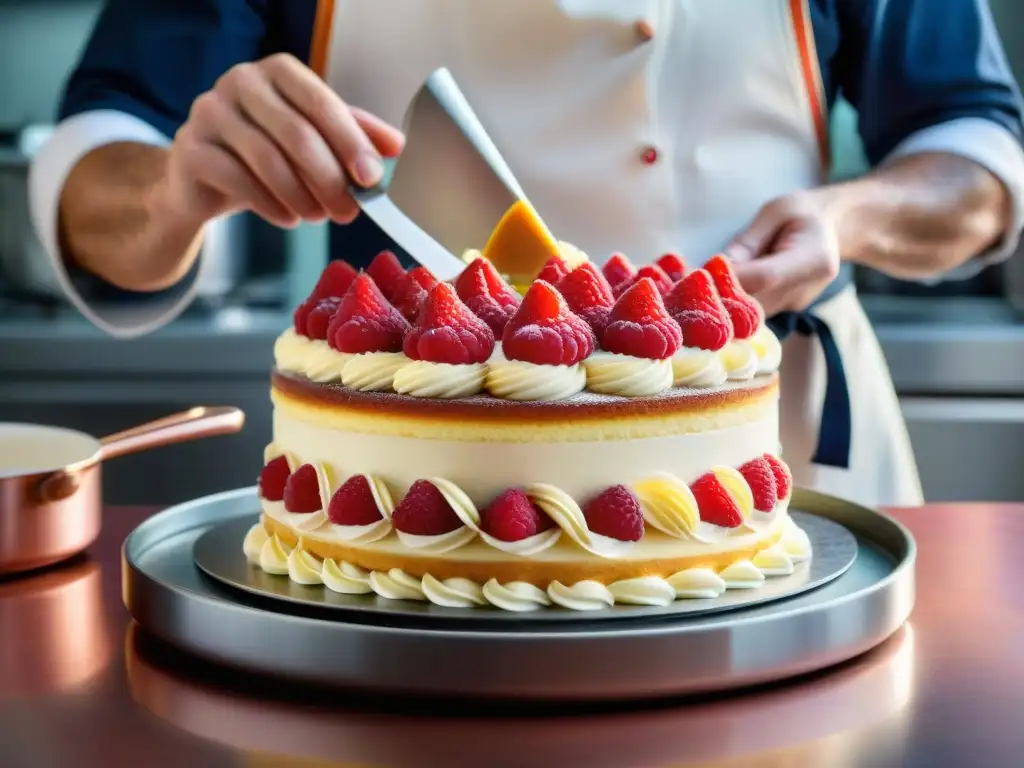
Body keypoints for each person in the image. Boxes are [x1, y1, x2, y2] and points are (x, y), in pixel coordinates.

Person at [29, 0, 1024, 508]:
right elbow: (97, 163)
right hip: (411, 494)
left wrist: (845, 221)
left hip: (776, 459)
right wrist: (172, 190)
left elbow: (976, 153)